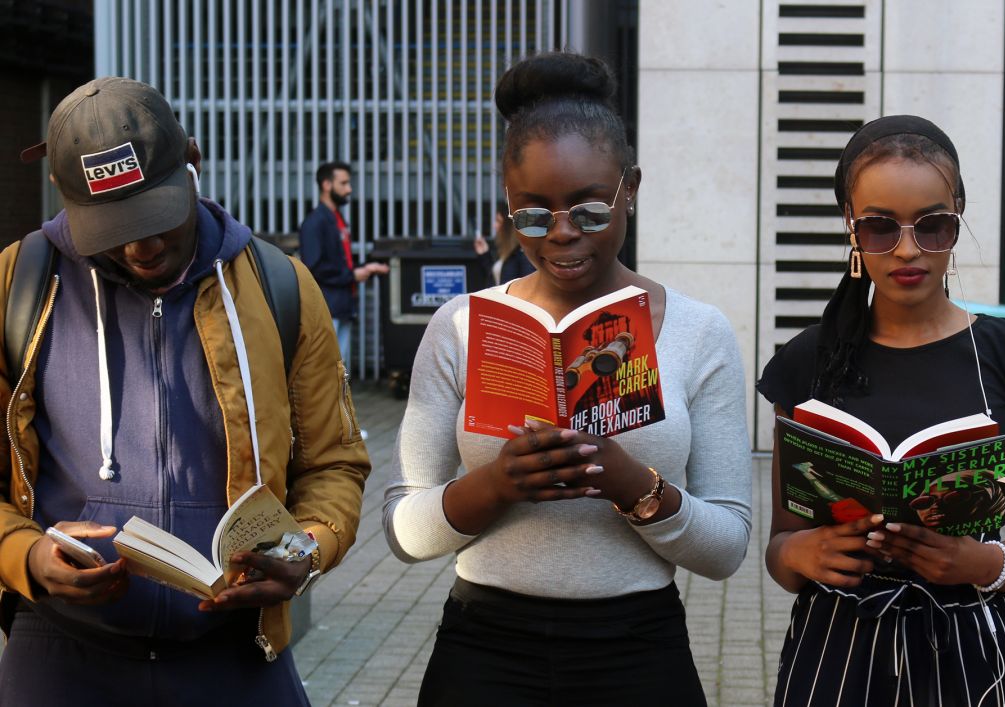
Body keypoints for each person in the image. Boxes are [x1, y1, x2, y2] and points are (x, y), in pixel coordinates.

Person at [382, 52, 752, 707]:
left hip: (637, 648)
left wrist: (633, 485)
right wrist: (498, 483)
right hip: (484, 646)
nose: (561, 236)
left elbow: (727, 547)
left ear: (630, 187)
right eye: (532, 214)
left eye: (588, 211)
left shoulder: (699, 332)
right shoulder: (462, 326)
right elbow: (404, 532)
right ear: (507, 202)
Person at [0, 77, 371, 706]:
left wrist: (303, 551)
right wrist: (24, 555)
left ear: (192, 163)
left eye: (155, 215)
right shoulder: (17, 286)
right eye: (112, 228)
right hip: (61, 653)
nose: (141, 246)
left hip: (233, 650)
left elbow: (334, 461)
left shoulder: (279, 285)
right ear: (67, 199)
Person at [758, 115, 1005, 706]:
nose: (907, 249)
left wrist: (980, 561)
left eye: (932, 225)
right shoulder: (808, 363)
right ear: (851, 226)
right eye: (878, 227)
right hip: (836, 648)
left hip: (969, 648)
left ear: (957, 218)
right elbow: (781, 548)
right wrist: (802, 553)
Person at [298, 161, 389, 365]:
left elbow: (338, 263)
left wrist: (363, 269)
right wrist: (353, 275)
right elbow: (314, 268)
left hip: (340, 305)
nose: (349, 189)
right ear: (327, 185)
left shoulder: (335, 219)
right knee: (327, 369)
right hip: (328, 308)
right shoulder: (315, 223)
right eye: (344, 183)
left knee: (337, 369)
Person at [472, 200, 536, 287]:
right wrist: (484, 254)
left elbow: (528, 286)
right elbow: (495, 280)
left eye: (498, 221)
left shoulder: (522, 253)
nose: (494, 225)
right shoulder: (506, 250)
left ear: (508, 225)